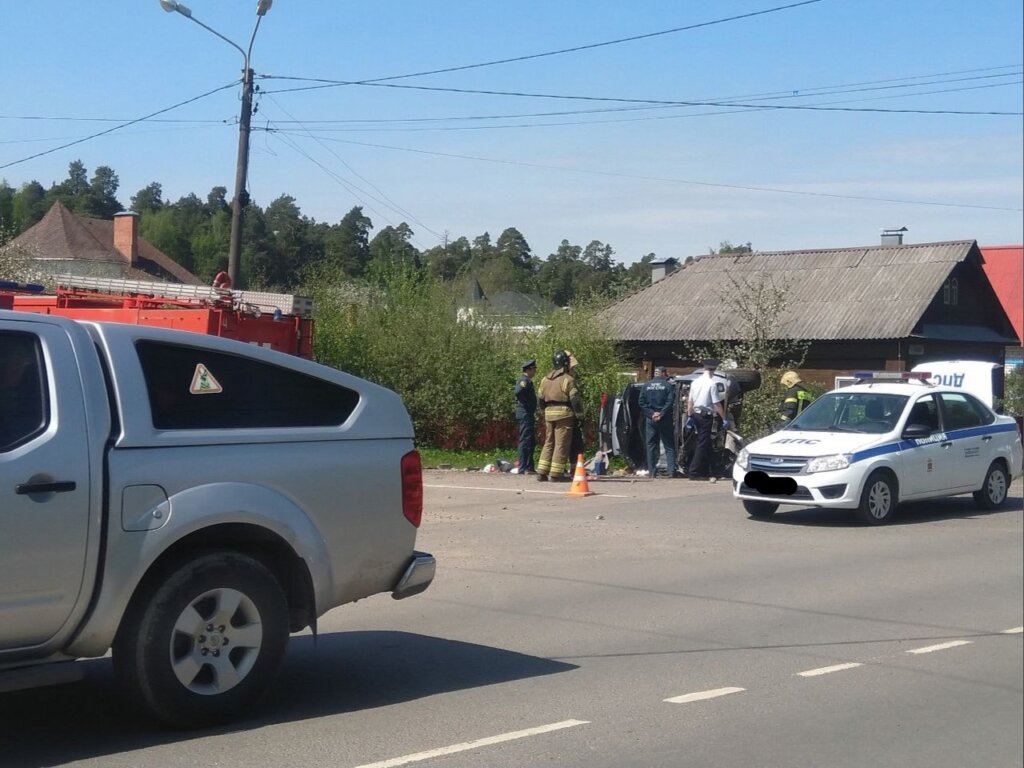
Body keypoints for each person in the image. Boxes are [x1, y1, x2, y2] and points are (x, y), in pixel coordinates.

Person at [536, 349, 584, 482]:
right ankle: (556, 474)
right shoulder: (568, 380)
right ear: (565, 364)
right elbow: (575, 401)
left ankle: (541, 472)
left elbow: (540, 399)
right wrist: (580, 416)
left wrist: (545, 411)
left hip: (548, 415)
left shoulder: (544, 380)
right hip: (564, 415)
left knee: (548, 443)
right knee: (561, 444)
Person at [686, 358, 729, 480]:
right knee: (702, 443)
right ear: (713, 370)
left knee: (707, 444)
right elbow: (716, 404)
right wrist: (724, 418)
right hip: (705, 416)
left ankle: (714, 470)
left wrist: (690, 416)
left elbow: (690, 401)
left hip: (695, 414)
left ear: (705, 369)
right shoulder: (711, 384)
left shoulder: (695, 382)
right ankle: (694, 473)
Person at [639, 365, 680, 477]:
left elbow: (641, 402)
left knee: (651, 445)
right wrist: (661, 413)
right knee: (669, 446)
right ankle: (671, 471)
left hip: (650, 419)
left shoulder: (646, 385)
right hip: (664, 418)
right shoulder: (667, 385)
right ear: (663, 373)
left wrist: (652, 413)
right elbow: (670, 402)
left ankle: (652, 472)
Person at [514, 359, 538, 474]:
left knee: (530, 440)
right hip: (524, 413)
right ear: (529, 369)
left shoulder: (527, 380)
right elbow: (518, 392)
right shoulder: (524, 380)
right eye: (534, 369)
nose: (535, 371)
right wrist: (526, 403)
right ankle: (523, 467)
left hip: (527, 414)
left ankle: (529, 466)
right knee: (525, 440)